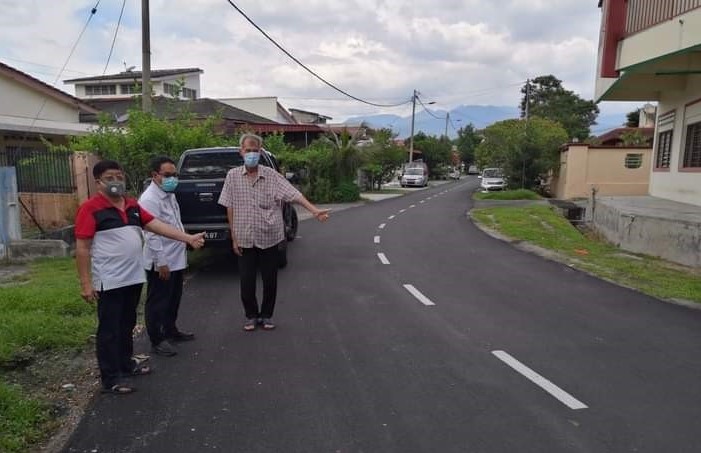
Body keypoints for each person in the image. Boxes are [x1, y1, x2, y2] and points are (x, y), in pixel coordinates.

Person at [75, 160, 205, 395]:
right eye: (110, 178)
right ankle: (111, 377)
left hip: (133, 277)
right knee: (110, 329)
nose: (116, 181)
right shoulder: (90, 208)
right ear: (98, 183)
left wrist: (187, 238)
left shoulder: (131, 205)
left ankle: (126, 365)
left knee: (126, 324)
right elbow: (82, 247)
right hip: (110, 279)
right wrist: (86, 283)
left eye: (119, 176)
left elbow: (157, 225)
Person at [218, 133, 329, 331]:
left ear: (260, 152)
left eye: (255, 151)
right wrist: (233, 236)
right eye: (248, 150)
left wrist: (314, 210)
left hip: (269, 236)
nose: (251, 154)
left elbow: (294, 194)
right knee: (246, 281)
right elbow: (229, 206)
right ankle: (251, 315)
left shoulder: (271, 175)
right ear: (241, 152)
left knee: (270, 280)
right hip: (244, 236)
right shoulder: (232, 176)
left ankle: (267, 315)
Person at [139, 156, 194, 358]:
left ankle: (171, 330)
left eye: (175, 175)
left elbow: (175, 223)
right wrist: (161, 262)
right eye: (168, 175)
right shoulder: (149, 199)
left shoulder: (168, 193)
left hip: (176, 257)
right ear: (155, 176)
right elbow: (151, 233)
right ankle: (157, 339)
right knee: (158, 301)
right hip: (161, 260)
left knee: (173, 298)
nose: (172, 179)